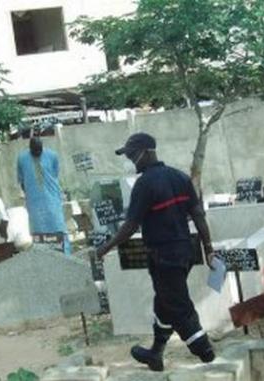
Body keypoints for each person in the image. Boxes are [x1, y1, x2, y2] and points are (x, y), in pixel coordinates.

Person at [94, 133, 215, 371]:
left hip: (163, 255)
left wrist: (105, 247)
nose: (131, 160)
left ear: (147, 152)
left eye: (132, 155)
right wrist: (208, 248)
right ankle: (155, 354)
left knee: (178, 306)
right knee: (164, 303)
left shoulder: (145, 184)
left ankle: (206, 352)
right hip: (186, 251)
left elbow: (130, 226)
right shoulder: (180, 177)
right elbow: (198, 215)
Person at [17, 136, 70, 255]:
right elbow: (22, 181)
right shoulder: (22, 159)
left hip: (52, 200)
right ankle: (43, 259)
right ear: (30, 148)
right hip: (34, 202)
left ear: (42, 147)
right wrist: (30, 194)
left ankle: (65, 256)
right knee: (38, 232)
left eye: (39, 151)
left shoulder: (52, 156)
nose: (37, 153)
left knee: (58, 227)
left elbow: (54, 176)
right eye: (34, 151)